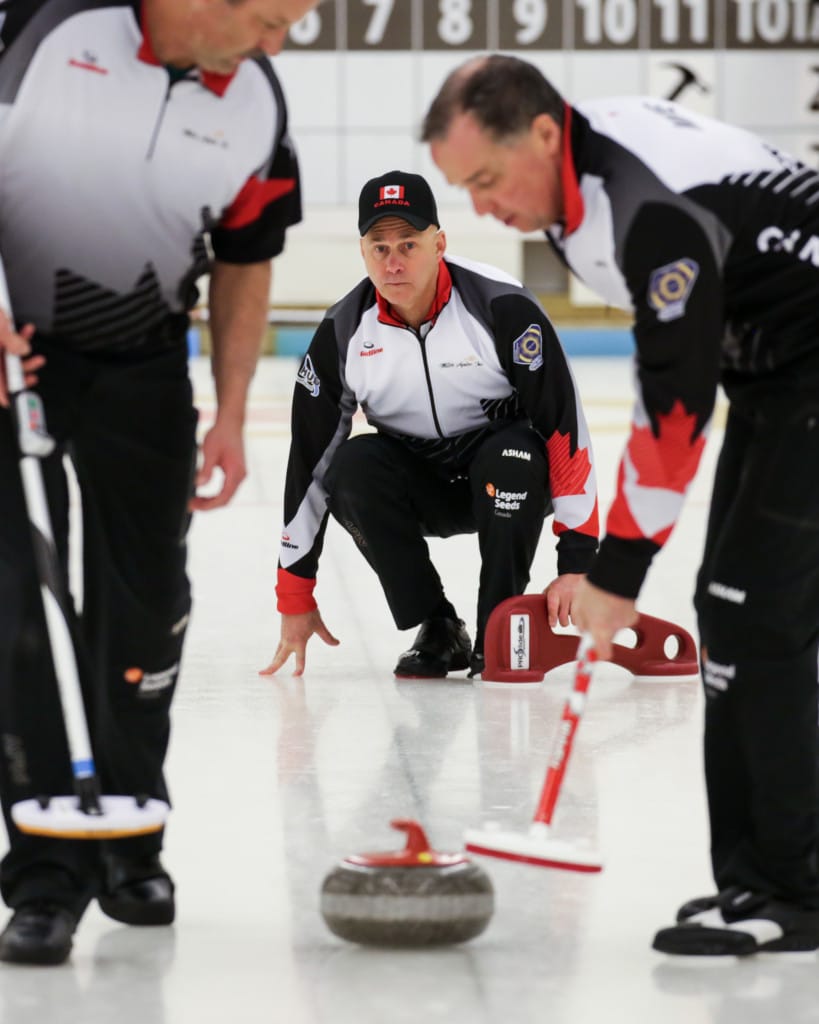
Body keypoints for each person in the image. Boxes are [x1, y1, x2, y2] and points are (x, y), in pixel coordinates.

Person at [422, 53, 819, 957]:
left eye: (485, 180)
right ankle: (761, 882)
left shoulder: (645, 209)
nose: (481, 209)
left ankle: (791, 894)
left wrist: (617, 570)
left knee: (754, 618)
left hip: (803, 366)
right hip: (775, 372)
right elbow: (668, 379)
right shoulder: (585, 182)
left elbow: (674, 410)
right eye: (465, 189)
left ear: (545, 133)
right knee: (736, 615)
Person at [0, 0, 317, 967]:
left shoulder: (256, 103)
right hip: (19, 354)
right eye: (270, 20)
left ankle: (133, 840)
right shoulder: (41, 32)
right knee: (23, 604)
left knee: (147, 607)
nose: (277, 45)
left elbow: (246, 261)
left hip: (142, 365)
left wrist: (228, 410)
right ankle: (46, 868)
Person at [263, 169, 599, 683]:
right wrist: (295, 592)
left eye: (409, 244)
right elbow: (309, 462)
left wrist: (576, 564)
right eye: (379, 247)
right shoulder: (343, 332)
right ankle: (438, 626)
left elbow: (563, 427)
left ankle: (499, 628)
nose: (394, 262)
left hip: (507, 476)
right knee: (350, 468)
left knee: (512, 454)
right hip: (418, 483)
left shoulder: (502, 306)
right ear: (362, 251)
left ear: (439, 242)